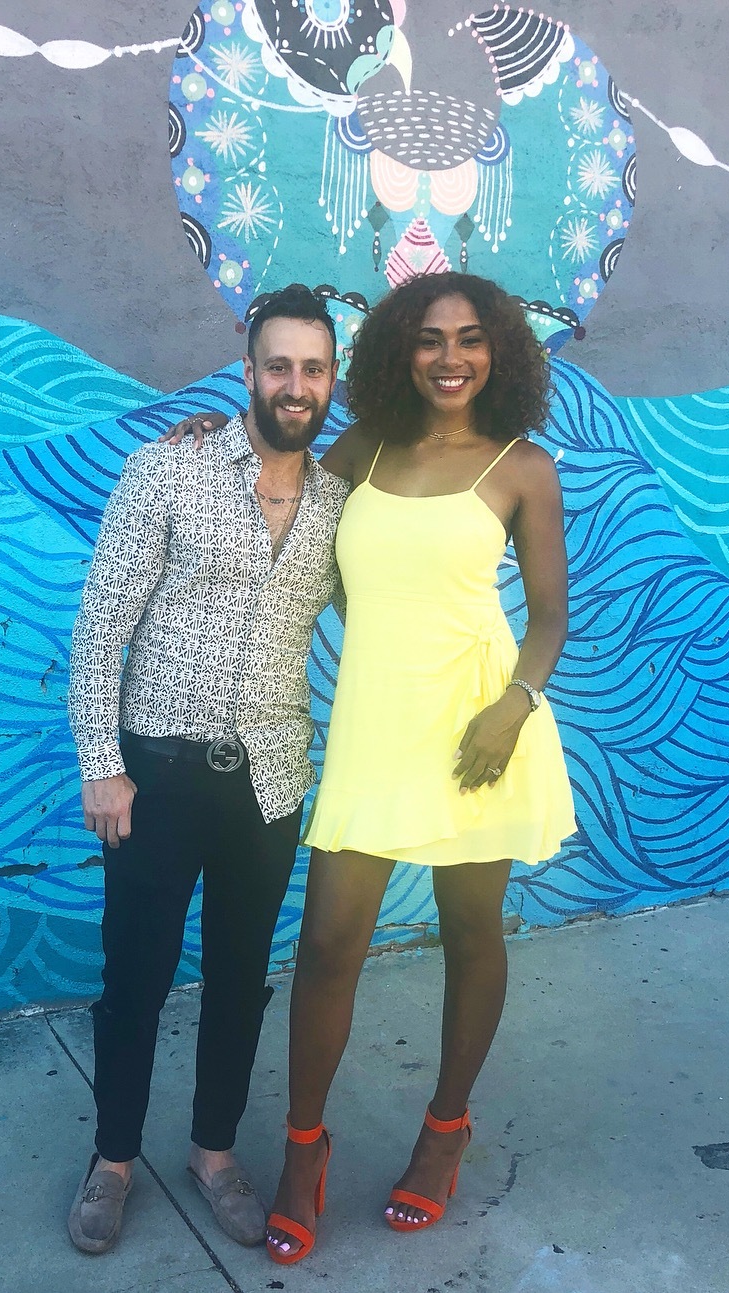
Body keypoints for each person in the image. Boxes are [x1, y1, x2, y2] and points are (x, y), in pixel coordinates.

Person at [169, 271, 575, 1265]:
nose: (450, 357)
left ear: (499, 353)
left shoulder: (524, 468)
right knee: (327, 945)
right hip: (374, 722)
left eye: (470, 339)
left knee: (470, 931)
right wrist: (216, 441)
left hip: (479, 727)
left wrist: (513, 707)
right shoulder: (364, 449)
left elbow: (549, 621)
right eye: (430, 339)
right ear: (401, 350)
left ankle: (445, 1131)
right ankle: (304, 1149)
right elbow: (280, 470)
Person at [65, 284, 347, 1254]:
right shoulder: (167, 470)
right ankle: (113, 1159)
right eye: (280, 365)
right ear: (250, 371)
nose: (296, 384)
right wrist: (102, 765)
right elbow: (100, 628)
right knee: (134, 978)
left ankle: (214, 1152)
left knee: (240, 978)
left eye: (314, 368)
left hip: (268, 782)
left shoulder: (340, 506)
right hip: (157, 775)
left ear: (332, 379)